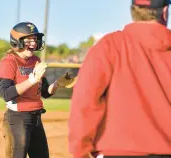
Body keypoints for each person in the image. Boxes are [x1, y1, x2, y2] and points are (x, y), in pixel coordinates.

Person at [68, 0, 171, 158]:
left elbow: (85, 100)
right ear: (164, 12)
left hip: (116, 151)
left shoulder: (109, 46)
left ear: (133, 11)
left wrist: (79, 150)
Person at [0, 21, 76, 158]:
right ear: (17, 41)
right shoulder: (8, 62)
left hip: (36, 118)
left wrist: (57, 84)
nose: (33, 44)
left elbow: (44, 92)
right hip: (17, 119)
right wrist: (31, 80)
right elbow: (7, 94)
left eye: (35, 40)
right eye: (29, 40)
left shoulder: (35, 61)